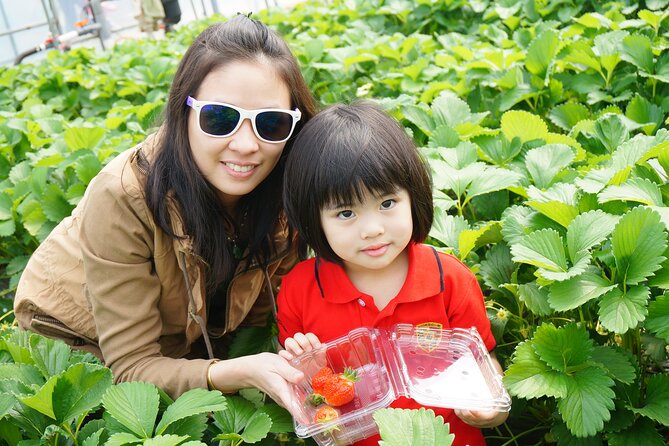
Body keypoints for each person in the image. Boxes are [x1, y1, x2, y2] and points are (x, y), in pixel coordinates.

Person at [14, 14, 317, 407]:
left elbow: (259, 320)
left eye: (271, 123)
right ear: (183, 112)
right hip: (79, 339)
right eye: (220, 118)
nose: (245, 144)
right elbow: (132, 368)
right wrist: (237, 371)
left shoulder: (288, 185)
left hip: (186, 345)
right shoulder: (123, 196)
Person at [277, 102, 509, 445]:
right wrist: (308, 371)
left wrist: (490, 409)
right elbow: (318, 413)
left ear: (413, 197)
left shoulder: (450, 280)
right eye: (345, 213)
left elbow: (485, 366)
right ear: (313, 220)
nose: (372, 229)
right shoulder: (300, 291)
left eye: (387, 204)